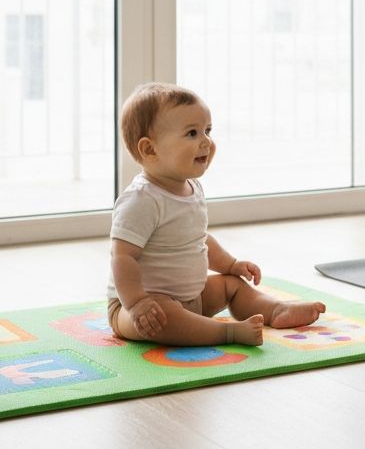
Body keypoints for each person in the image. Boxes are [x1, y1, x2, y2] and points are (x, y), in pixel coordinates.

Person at [108, 81, 326, 346]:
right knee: (165, 316)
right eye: (192, 133)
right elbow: (123, 258)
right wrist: (137, 302)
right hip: (141, 310)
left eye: (207, 131)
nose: (206, 142)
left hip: (193, 297)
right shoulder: (141, 200)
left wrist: (231, 265)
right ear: (150, 149)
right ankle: (226, 333)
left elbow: (199, 240)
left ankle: (274, 310)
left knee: (231, 285)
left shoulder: (192, 188)